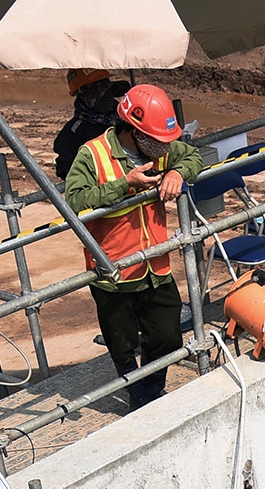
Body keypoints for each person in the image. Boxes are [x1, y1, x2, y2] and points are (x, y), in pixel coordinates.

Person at [63, 84, 202, 410]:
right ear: (134, 131)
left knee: (168, 337)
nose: (163, 147)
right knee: (121, 344)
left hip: (155, 265)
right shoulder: (93, 155)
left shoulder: (161, 149)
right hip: (114, 272)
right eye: (156, 139)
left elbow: (193, 156)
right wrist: (126, 184)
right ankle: (136, 395)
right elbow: (75, 201)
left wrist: (178, 173)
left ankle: (150, 391)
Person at [52, 69, 132, 182]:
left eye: (108, 91)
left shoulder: (126, 121)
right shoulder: (72, 133)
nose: (107, 98)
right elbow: (66, 171)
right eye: (100, 94)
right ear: (83, 95)